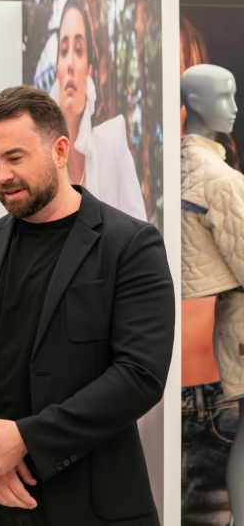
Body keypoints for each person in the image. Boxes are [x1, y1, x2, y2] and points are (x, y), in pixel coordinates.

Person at [0, 86, 174, 525]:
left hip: (91, 505)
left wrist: (23, 440)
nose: (1, 175)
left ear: (60, 150)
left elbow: (140, 376)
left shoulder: (130, 244)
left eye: (14, 158)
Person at [181, 64, 244, 525]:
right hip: (223, 354)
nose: (236, 108)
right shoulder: (222, 181)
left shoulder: (171, 167)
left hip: (185, 366)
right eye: (226, 97)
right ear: (197, 103)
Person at [52, 0, 147, 221]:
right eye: (64, 51)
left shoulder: (112, 140)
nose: (71, 65)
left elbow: (140, 231)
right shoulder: (46, 160)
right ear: (57, 71)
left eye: (79, 50)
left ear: (90, 72)